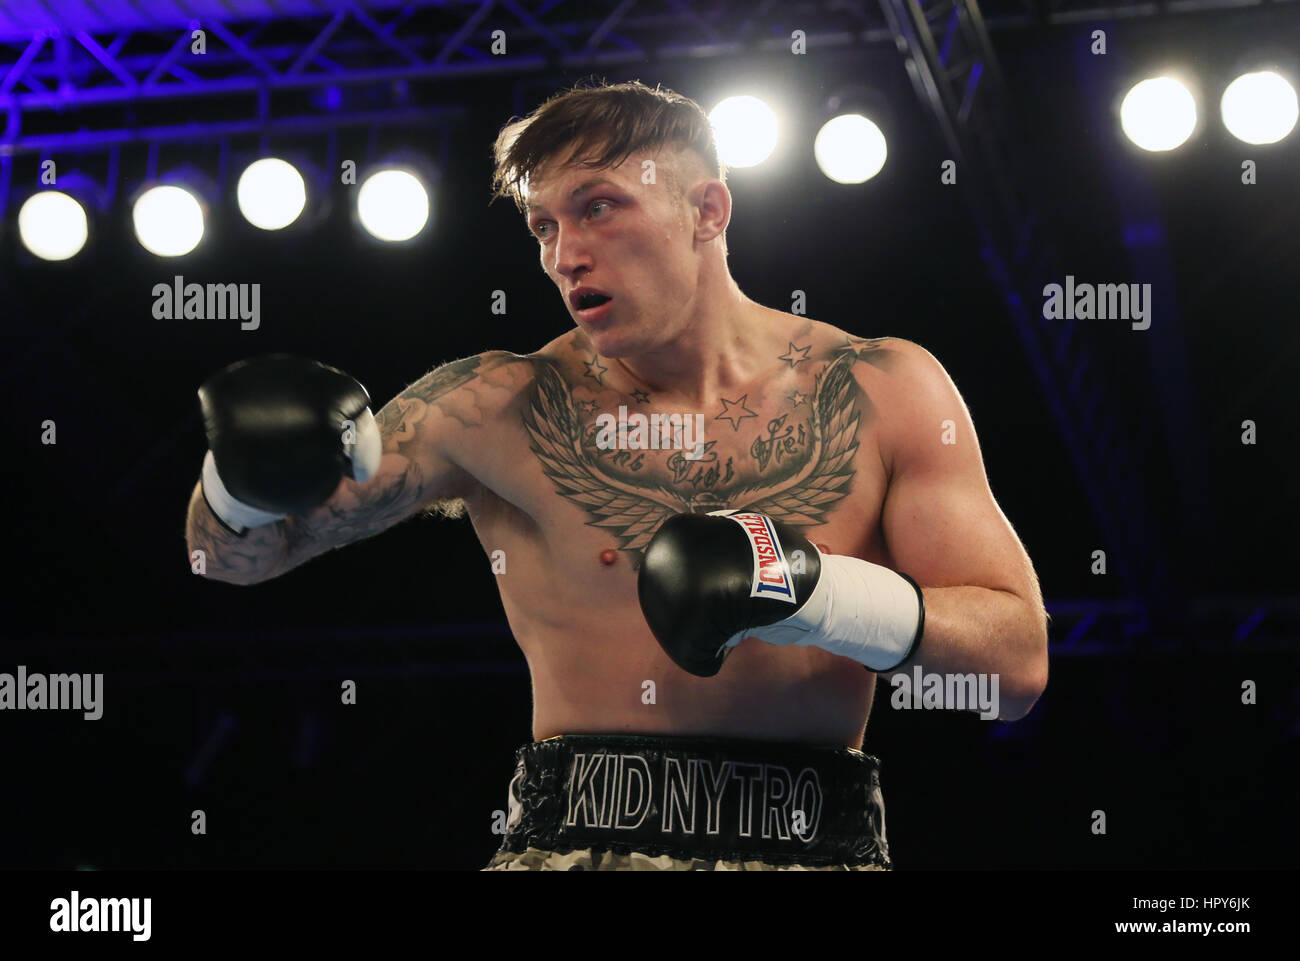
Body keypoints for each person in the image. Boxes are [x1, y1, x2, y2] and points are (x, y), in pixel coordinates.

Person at [185, 80, 1049, 871]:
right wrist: (238, 478)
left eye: (598, 208)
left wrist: (814, 592)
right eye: (545, 226)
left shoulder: (879, 388)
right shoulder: (498, 403)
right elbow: (237, 556)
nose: (565, 255)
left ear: (707, 210)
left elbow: (1016, 669)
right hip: (573, 845)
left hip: (817, 844)